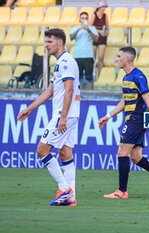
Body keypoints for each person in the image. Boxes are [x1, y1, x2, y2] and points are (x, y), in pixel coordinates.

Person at [98, 46, 149, 199]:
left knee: (122, 152)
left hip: (137, 119)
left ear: (127, 59)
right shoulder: (126, 78)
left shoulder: (138, 76)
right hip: (132, 118)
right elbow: (125, 101)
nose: (116, 59)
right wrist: (108, 116)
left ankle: (122, 191)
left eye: (119, 56)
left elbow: (148, 101)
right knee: (135, 157)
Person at [17, 28, 80, 207]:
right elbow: (50, 91)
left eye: (49, 42)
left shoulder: (66, 61)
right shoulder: (61, 62)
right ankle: (71, 198)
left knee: (42, 150)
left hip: (64, 113)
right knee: (65, 152)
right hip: (70, 113)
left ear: (60, 42)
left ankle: (64, 188)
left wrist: (63, 117)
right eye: (45, 42)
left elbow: (69, 90)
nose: (46, 46)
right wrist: (30, 108)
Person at [70, 12, 99, 90]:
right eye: (82, 18)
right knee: (78, 78)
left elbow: (96, 39)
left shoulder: (92, 28)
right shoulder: (75, 28)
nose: (84, 20)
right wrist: (80, 28)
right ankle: (78, 95)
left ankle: (90, 95)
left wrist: (88, 30)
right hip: (77, 56)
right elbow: (71, 37)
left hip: (88, 56)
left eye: (86, 18)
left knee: (89, 78)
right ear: (79, 20)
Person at [89, 1, 109, 77]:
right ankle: (93, 75)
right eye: (103, 7)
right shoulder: (93, 15)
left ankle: (100, 75)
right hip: (94, 38)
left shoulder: (105, 16)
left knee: (101, 58)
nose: (104, 9)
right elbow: (89, 27)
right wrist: (99, 31)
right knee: (93, 58)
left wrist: (105, 32)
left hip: (102, 39)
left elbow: (107, 27)